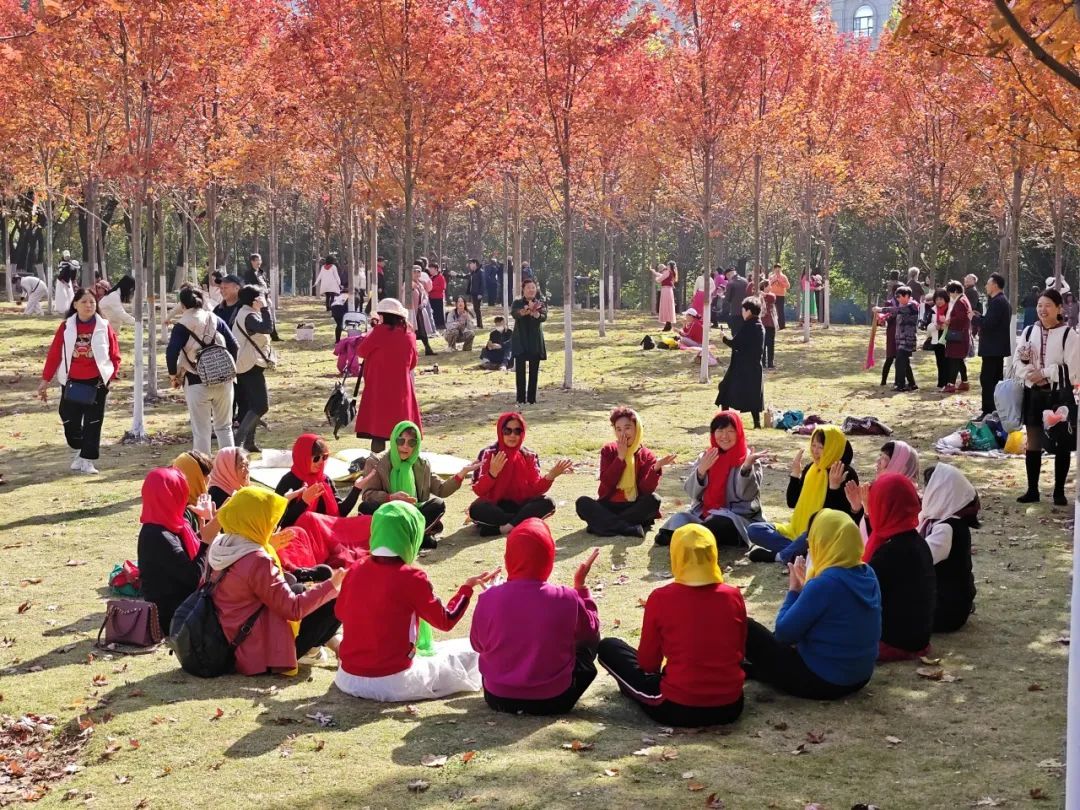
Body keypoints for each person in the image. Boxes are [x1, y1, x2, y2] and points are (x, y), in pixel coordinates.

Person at [334, 501, 499, 701]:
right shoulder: (411, 577)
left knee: (448, 652)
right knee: (474, 652)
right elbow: (446, 620)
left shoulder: (355, 568)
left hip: (347, 678)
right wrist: (466, 589)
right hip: (393, 681)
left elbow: (340, 612)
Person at [597, 524, 747, 726]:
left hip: (677, 706)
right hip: (731, 705)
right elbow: (739, 650)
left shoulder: (661, 598)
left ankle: (633, 691)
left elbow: (648, 664)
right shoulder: (733, 595)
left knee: (609, 647)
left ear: (675, 556)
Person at [207, 487, 345, 676]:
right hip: (254, 652)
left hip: (228, 636)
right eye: (269, 519)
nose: (273, 524)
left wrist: (266, 545)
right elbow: (293, 608)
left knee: (298, 586)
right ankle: (311, 650)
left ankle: (323, 645)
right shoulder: (257, 559)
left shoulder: (221, 545)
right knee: (335, 598)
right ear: (254, 520)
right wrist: (332, 586)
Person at [743, 510, 880, 699]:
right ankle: (758, 671)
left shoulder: (825, 583)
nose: (809, 544)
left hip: (823, 681)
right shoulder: (868, 573)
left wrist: (794, 591)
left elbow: (784, 634)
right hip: (860, 677)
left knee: (745, 627)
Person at [471, 522, 600, 715]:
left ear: (508, 558)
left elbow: (477, 645)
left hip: (497, 697)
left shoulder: (488, 597)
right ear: (549, 557)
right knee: (587, 640)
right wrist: (581, 588)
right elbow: (590, 631)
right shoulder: (567, 597)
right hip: (554, 700)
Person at [745, 425, 859, 561]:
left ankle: (780, 556)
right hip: (797, 531)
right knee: (754, 529)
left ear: (832, 447)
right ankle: (797, 552)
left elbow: (837, 517)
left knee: (813, 533)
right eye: (813, 445)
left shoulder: (846, 473)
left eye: (821, 447)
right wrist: (795, 474)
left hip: (823, 533)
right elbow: (792, 502)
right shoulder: (811, 468)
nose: (815, 451)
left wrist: (834, 487)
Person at [38, 288, 121, 474]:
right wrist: (45, 379)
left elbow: (114, 353)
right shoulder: (66, 327)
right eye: (84, 301)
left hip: (97, 382)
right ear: (75, 304)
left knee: (93, 422)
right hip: (71, 381)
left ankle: (87, 460)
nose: (89, 305)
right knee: (68, 418)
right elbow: (54, 354)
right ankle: (80, 448)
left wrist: (111, 375)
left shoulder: (104, 326)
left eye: (92, 302)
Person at [360, 420, 480, 548]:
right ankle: (417, 536)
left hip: (414, 514)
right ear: (394, 440)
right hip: (387, 513)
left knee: (437, 504)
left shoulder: (422, 464)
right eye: (401, 441)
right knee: (366, 507)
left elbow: (441, 489)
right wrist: (390, 498)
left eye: (411, 442)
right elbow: (368, 494)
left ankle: (404, 538)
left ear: (416, 445)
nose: (405, 446)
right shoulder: (376, 462)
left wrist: (462, 473)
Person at [656, 411, 766, 548]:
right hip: (703, 514)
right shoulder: (706, 456)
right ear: (713, 433)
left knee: (718, 523)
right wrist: (701, 471)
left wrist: (746, 468)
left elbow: (747, 496)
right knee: (678, 520)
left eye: (730, 431)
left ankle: (692, 537)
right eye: (720, 430)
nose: (724, 436)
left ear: (739, 433)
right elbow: (692, 493)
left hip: (736, 517)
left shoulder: (749, 459)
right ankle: (693, 536)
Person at [1013, 288, 1080, 505]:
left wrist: (1045, 373)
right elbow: (1018, 361)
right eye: (1040, 305)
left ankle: (1059, 492)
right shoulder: (1029, 331)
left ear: (1059, 308)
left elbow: (1073, 371)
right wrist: (1031, 375)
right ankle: (1032, 490)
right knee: (1033, 441)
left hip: (1058, 396)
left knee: (1061, 442)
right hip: (1033, 394)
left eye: (1048, 305)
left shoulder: (1069, 335)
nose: (1043, 310)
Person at [861, 474, 936, 662]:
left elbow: (860, 597)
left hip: (894, 642)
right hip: (919, 639)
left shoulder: (890, 552)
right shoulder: (919, 542)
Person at [137, 467, 218, 633]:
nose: (185, 498)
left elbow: (186, 554)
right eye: (181, 492)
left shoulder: (165, 525)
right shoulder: (157, 536)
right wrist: (206, 542)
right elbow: (194, 577)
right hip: (173, 616)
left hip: (181, 606)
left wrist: (205, 520)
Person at [575, 407, 676, 538]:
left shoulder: (647, 455)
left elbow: (645, 490)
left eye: (627, 428)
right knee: (582, 503)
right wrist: (620, 458)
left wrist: (656, 468)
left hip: (634, 506)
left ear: (637, 429)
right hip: (609, 505)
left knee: (654, 500)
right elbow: (607, 482)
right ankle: (627, 528)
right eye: (618, 429)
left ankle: (603, 525)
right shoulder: (609, 450)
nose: (623, 433)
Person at [468, 412, 570, 536]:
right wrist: (492, 474)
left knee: (548, 502)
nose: (512, 435)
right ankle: (520, 521)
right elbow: (479, 490)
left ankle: (503, 528)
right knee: (477, 509)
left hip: (521, 505)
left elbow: (535, 490)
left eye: (517, 431)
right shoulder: (489, 453)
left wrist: (550, 476)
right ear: (500, 432)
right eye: (507, 431)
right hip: (495, 506)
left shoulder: (529, 455)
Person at [166, 287, 237, 456]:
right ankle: (231, 467)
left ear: (182, 305)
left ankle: (203, 469)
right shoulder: (214, 318)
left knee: (201, 432)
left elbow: (171, 352)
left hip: (196, 381)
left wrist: (173, 375)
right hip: (224, 380)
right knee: (225, 428)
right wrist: (228, 367)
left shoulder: (181, 325)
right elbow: (234, 345)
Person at [354, 298, 422, 453]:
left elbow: (361, 351)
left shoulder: (379, 332)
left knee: (377, 432)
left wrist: (373, 331)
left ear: (383, 315)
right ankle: (399, 462)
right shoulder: (409, 335)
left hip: (378, 387)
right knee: (402, 433)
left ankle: (377, 465)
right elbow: (412, 363)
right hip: (402, 389)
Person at [919, 464, 978, 632]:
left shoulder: (945, 528)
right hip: (949, 601)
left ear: (941, 491)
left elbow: (918, 560)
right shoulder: (942, 521)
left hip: (945, 609)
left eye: (928, 486)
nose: (924, 492)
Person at [275, 434, 365, 527]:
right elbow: (279, 521)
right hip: (297, 533)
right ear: (303, 457)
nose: (321, 462)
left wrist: (356, 489)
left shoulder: (325, 480)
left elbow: (339, 514)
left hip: (325, 531)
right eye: (316, 458)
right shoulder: (288, 481)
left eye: (324, 457)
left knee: (365, 521)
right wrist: (303, 502)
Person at [231, 284, 274, 453]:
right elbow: (268, 328)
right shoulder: (249, 315)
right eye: (262, 297)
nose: (265, 300)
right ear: (255, 300)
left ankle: (249, 442)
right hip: (249, 365)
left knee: (252, 405)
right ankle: (238, 442)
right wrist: (265, 308)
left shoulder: (245, 312)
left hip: (247, 363)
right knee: (261, 406)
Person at [715, 297, 765, 429]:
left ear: (748, 311)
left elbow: (736, 344)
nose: (742, 312)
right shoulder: (759, 325)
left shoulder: (749, 326)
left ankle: (725, 419)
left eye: (743, 310)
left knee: (725, 390)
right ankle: (757, 423)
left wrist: (724, 338)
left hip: (742, 366)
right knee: (753, 395)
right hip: (754, 366)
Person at [976, 273, 1012, 417]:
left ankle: (988, 410)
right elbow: (991, 321)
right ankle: (995, 410)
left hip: (993, 348)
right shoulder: (1001, 301)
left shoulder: (998, 301)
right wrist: (979, 316)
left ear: (995, 285)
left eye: (988, 283)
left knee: (988, 380)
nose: (986, 286)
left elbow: (988, 324)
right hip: (996, 348)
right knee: (995, 380)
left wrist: (974, 319)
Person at [874, 285, 919, 392]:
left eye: (899, 296)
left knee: (899, 362)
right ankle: (912, 384)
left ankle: (900, 385)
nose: (898, 299)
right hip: (900, 339)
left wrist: (881, 309)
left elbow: (897, 310)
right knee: (905, 362)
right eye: (897, 297)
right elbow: (893, 315)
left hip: (907, 339)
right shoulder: (902, 307)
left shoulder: (911, 306)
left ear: (907, 296)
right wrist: (882, 317)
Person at [511, 278, 547, 406]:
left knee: (534, 372)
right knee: (520, 372)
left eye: (533, 287)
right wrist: (525, 311)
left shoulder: (540, 303)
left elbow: (544, 317)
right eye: (528, 288)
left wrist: (536, 313)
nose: (531, 290)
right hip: (520, 339)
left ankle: (532, 399)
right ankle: (520, 398)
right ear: (523, 289)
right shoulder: (517, 303)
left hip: (534, 340)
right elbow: (514, 314)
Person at [941, 280, 972, 393]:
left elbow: (960, 318)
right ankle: (964, 382)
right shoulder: (964, 299)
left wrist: (949, 320)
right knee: (959, 360)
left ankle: (951, 384)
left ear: (954, 291)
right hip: (961, 335)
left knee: (954, 359)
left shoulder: (960, 302)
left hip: (957, 335)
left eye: (950, 293)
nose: (949, 296)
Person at [409, 264, 437, 356]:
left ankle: (428, 349)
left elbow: (425, 296)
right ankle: (412, 351)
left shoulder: (420, 285)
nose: (417, 274)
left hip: (420, 311)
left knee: (422, 330)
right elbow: (405, 296)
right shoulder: (408, 284)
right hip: (412, 312)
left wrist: (423, 304)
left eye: (418, 272)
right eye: (414, 272)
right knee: (412, 331)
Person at [926, 289, 949, 390]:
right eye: (937, 299)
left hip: (947, 336)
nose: (939, 301)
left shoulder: (949, 309)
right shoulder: (933, 309)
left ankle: (948, 381)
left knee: (947, 360)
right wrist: (934, 325)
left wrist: (944, 325)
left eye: (941, 299)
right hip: (936, 336)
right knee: (939, 360)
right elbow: (927, 323)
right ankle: (941, 382)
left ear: (945, 299)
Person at [651, 262, 677, 331]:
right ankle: (668, 324)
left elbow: (660, 279)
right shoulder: (669, 272)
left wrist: (656, 278)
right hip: (667, 290)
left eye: (668, 265)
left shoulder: (668, 272)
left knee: (666, 306)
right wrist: (654, 272)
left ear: (670, 266)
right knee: (667, 306)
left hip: (666, 290)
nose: (666, 266)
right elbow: (662, 275)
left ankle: (668, 324)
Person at [723, 269, 749, 335]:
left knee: (735, 332)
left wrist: (723, 296)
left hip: (735, 311)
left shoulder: (730, 283)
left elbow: (727, 299)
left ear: (728, 275)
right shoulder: (745, 281)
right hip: (746, 310)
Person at [759, 281, 777, 369]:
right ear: (765, 286)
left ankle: (770, 363)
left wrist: (764, 294)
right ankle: (762, 363)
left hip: (770, 323)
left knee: (770, 344)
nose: (771, 287)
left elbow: (772, 298)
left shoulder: (771, 295)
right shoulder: (758, 296)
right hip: (762, 323)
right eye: (769, 285)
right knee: (762, 344)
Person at [769, 264, 790, 330]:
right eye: (776, 268)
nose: (777, 269)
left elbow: (788, 286)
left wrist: (780, 282)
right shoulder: (771, 276)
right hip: (772, 295)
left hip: (781, 295)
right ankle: (772, 325)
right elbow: (768, 285)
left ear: (781, 269)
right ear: (774, 269)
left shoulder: (784, 277)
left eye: (779, 268)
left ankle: (782, 325)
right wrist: (773, 280)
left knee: (780, 310)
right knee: (772, 310)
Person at [467, 258, 485, 329]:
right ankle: (478, 324)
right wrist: (456, 275)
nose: (470, 265)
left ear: (475, 264)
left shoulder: (480, 272)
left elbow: (483, 284)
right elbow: (466, 276)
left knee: (477, 309)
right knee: (476, 309)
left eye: (471, 263)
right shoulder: (473, 272)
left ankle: (480, 325)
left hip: (478, 294)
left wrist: (480, 293)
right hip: (473, 293)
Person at [429, 264, 447, 330]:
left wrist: (432, 288)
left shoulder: (440, 277)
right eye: (429, 269)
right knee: (433, 313)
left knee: (439, 312)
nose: (430, 270)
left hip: (438, 298)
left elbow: (443, 287)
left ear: (436, 269)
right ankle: (434, 325)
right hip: (431, 298)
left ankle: (440, 325)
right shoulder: (431, 277)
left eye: (431, 268)